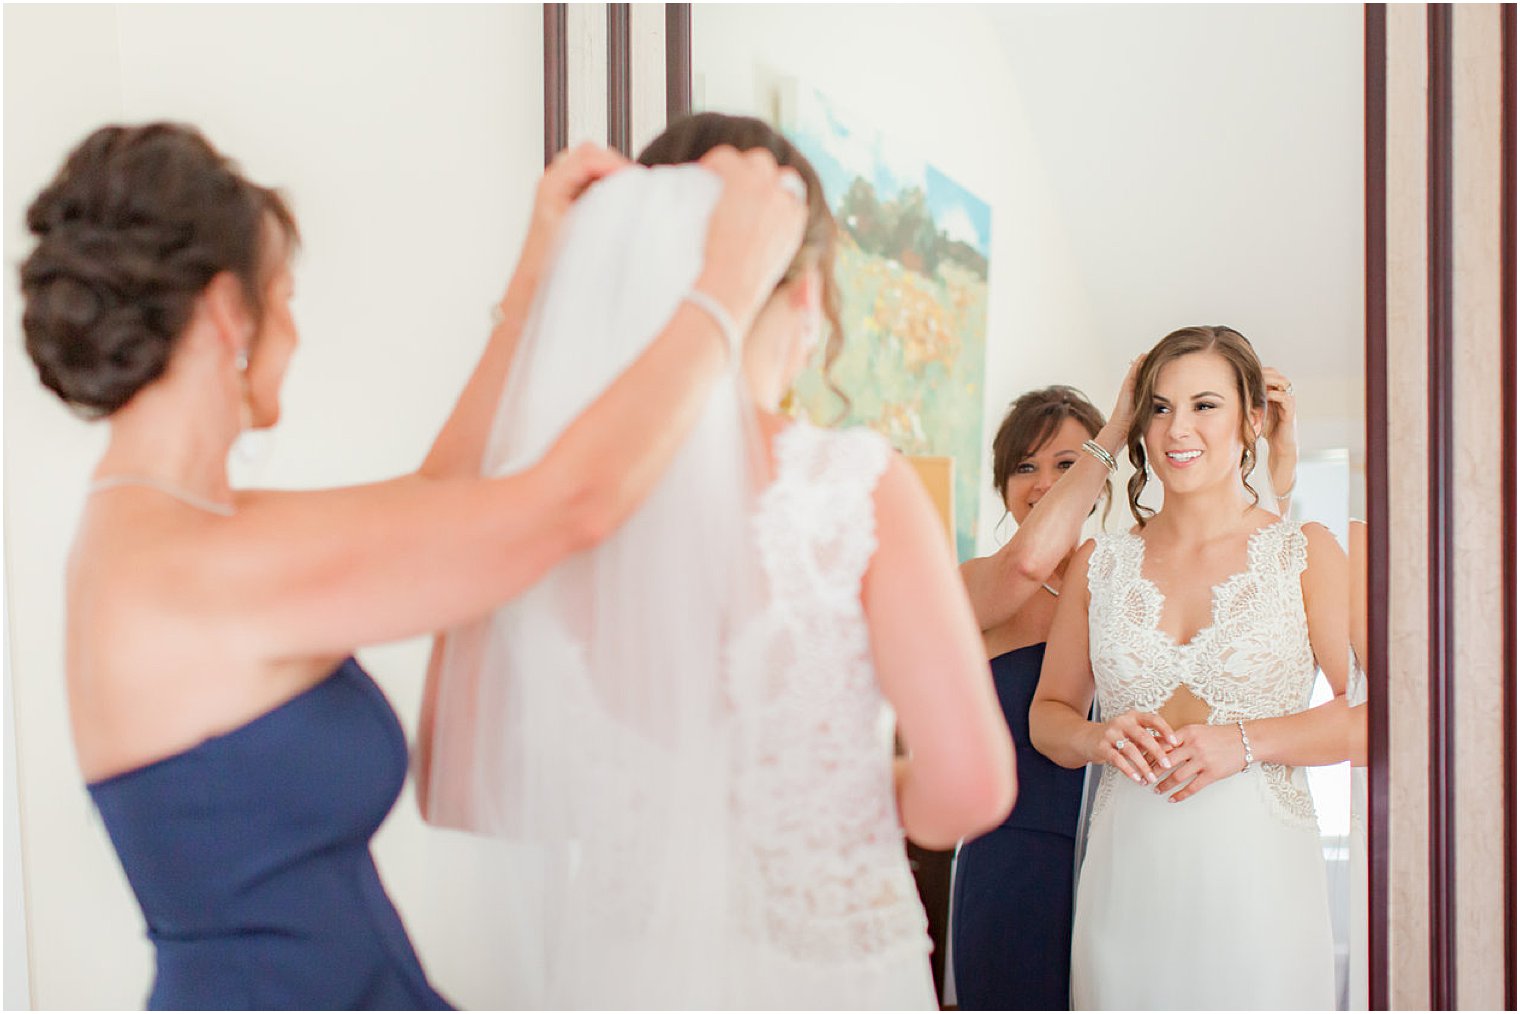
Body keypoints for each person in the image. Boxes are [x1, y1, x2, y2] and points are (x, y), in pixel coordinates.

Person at [21, 121, 806, 1009]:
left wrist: (535, 269)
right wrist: (726, 291)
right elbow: (569, 507)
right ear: (224, 312)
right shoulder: (192, 568)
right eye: (283, 297)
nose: (295, 329)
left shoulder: (175, 533)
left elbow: (440, 494)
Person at [419, 111, 1016, 1009]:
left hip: (622, 977)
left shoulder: (532, 502)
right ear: (810, 296)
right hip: (825, 977)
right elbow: (969, 789)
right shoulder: (854, 486)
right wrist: (833, 797)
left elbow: (457, 787)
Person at [1030, 325, 1349, 1009]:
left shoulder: (1306, 553)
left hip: (1260, 891)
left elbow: (1376, 717)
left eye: (1205, 405)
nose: (1179, 428)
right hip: (1126, 885)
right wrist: (1095, 737)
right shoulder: (1100, 564)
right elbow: (1048, 718)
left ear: (1251, 420)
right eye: (1160, 406)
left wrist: (1242, 742)